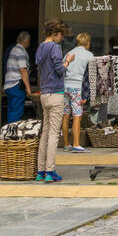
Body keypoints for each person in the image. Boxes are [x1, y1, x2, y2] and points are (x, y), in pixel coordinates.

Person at [34, 19, 68, 182]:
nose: (61, 38)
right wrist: (68, 62)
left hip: (44, 94)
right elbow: (60, 70)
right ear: (55, 33)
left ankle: (40, 171)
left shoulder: (40, 48)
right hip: (56, 93)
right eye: (61, 35)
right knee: (54, 133)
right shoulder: (55, 48)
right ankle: (50, 171)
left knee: (45, 133)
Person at [62, 32, 94, 152]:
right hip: (77, 88)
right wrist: (87, 94)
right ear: (87, 43)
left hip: (65, 87)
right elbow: (91, 76)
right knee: (77, 115)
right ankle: (76, 144)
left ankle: (66, 143)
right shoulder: (89, 55)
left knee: (65, 114)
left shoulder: (69, 53)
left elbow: (63, 69)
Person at [3, 32, 33, 124]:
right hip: (16, 85)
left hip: (9, 85)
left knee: (11, 111)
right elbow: (23, 70)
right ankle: (13, 134)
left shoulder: (13, 50)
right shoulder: (21, 52)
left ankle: (8, 133)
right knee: (16, 112)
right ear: (27, 41)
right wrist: (28, 88)